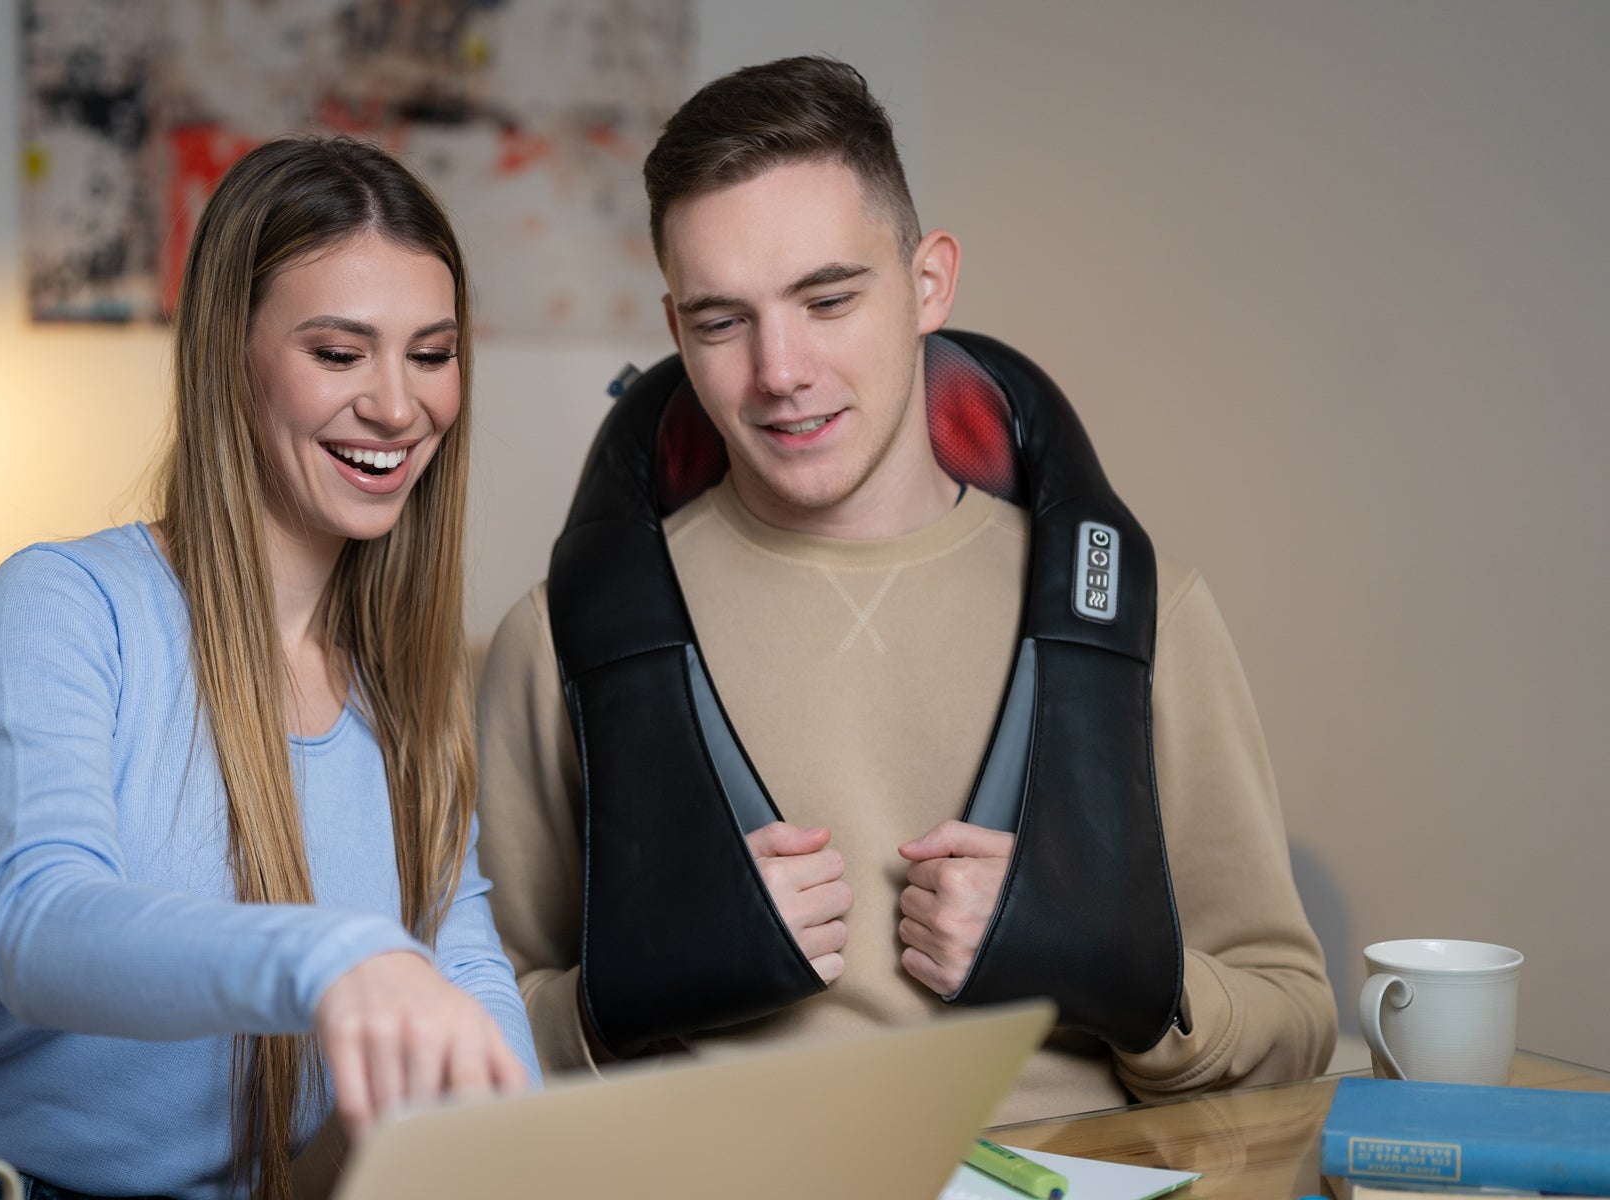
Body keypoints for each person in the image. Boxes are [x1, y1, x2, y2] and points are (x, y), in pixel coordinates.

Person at [474, 56, 1335, 1123]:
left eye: (827, 298)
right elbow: (474, 1038)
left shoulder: (1147, 617)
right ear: (673, 328)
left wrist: (1122, 975)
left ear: (929, 282)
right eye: (720, 322)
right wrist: (614, 1003)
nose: (779, 369)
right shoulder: (555, 640)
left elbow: (1295, 1022)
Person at [0, 136, 536, 1200]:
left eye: (431, 354)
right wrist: (338, 957)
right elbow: (40, 925)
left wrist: (536, 1135)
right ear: (228, 359)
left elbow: (462, 956)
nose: (396, 406)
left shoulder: (403, 685)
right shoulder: (65, 604)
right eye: (339, 354)